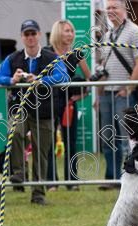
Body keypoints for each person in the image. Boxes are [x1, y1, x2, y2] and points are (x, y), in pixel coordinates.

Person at [0, 19, 69, 205]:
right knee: (15, 132)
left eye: (33, 33)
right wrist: (12, 79)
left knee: (41, 153)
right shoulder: (13, 58)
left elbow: (64, 75)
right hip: (21, 109)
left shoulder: (51, 57)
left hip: (44, 111)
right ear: (22, 37)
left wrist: (41, 80)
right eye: (26, 34)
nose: (30, 37)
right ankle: (19, 171)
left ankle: (38, 194)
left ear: (39, 35)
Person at [96, 0, 138, 190]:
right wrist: (98, 94)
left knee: (128, 139)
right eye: (108, 8)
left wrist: (129, 88)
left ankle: (131, 176)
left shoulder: (134, 31)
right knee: (108, 137)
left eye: (114, 7)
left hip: (124, 94)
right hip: (107, 94)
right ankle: (111, 177)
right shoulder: (107, 35)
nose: (110, 11)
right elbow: (104, 66)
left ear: (124, 10)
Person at [44, 19, 91, 192]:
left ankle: (72, 181)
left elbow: (89, 79)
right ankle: (51, 182)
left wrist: (81, 95)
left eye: (72, 31)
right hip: (49, 103)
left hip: (68, 104)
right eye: (66, 31)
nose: (70, 34)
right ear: (57, 32)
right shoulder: (46, 52)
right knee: (49, 142)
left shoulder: (77, 54)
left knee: (70, 142)